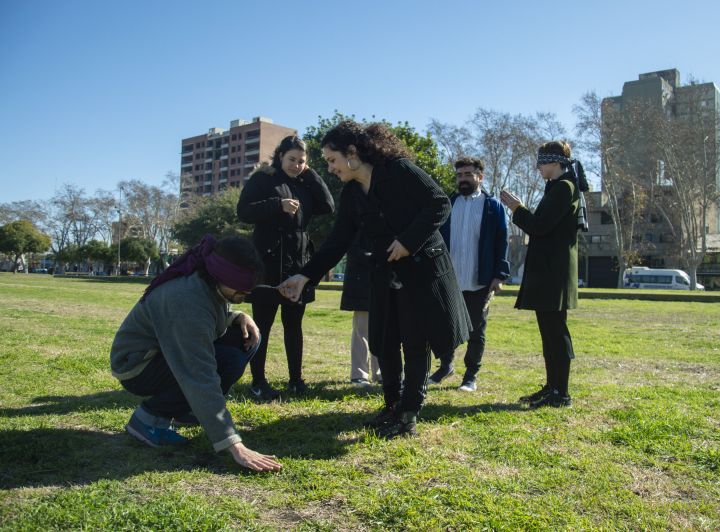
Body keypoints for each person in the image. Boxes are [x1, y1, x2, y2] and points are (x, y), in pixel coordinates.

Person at [279, 120, 470, 438]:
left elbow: (439, 203)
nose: (330, 167)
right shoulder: (352, 193)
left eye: (332, 159)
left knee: (414, 341)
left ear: (351, 153)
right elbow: (337, 241)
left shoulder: (398, 169)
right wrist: (304, 276)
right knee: (385, 340)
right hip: (384, 272)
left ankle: (409, 413)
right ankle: (392, 405)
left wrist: (408, 241)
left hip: (421, 270)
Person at [110, 235, 282, 472]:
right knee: (227, 361)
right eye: (241, 289)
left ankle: (184, 410)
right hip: (137, 366)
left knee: (245, 338)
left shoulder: (207, 281)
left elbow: (211, 316)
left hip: (164, 351)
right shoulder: (186, 300)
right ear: (222, 275)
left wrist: (236, 316)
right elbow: (199, 375)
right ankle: (149, 419)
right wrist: (234, 444)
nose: (246, 294)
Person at [237, 135, 335, 400]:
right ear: (280, 156)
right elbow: (243, 212)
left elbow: (328, 206)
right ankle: (258, 382)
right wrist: (276, 205)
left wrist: (311, 174)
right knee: (263, 325)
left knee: (294, 324)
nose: (296, 165)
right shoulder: (264, 178)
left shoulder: (305, 182)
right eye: (292, 159)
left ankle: (296, 380)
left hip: (298, 262)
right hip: (267, 262)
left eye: (302, 161)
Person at [499, 141, 580, 408]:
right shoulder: (558, 187)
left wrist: (517, 208)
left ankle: (562, 393)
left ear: (555, 162)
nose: (538, 167)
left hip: (554, 272)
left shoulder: (564, 188)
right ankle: (552, 387)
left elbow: (539, 226)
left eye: (542, 162)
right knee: (549, 333)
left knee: (556, 333)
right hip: (550, 271)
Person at [429, 157, 510, 392]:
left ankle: (470, 376)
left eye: (468, 174)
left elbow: (501, 242)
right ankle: (445, 366)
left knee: (476, 330)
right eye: (459, 175)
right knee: (444, 327)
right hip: (448, 279)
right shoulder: (447, 203)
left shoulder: (492, 207)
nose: (462, 179)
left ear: (480, 177)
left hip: (480, 280)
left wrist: (499, 275)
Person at [341, 232, 381, 387]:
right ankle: (359, 374)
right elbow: (351, 246)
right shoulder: (357, 213)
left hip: (383, 275)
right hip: (361, 277)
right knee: (361, 329)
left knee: (382, 329)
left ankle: (381, 372)